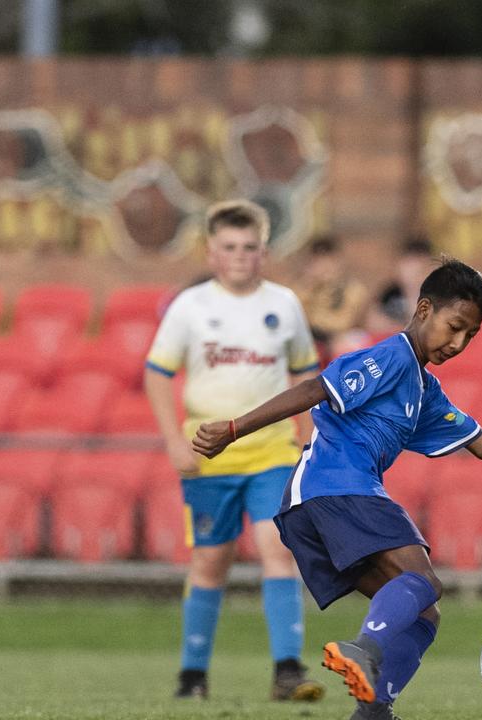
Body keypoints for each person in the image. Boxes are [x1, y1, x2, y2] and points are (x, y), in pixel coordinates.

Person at [191, 259, 482, 720]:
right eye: (454, 326)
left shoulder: (424, 389)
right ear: (423, 309)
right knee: (422, 581)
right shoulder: (393, 355)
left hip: (320, 504)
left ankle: (373, 713)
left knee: (423, 614)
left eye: (470, 336)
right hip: (335, 487)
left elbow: (481, 442)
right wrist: (235, 429)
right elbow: (317, 388)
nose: (457, 343)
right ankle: (363, 649)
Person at [144, 199, 325, 701]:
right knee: (210, 561)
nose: (240, 256)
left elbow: (305, 372)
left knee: (277, 548)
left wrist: (308, 433)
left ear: (263, 251)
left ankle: (288, 671)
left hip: (271, 451)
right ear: (212, 252)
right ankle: (192, 676)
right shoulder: (190, 307)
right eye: (229, 247)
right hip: (209, 457)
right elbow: (157, 372)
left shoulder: (284, 304)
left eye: (249, 247)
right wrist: (175, 441)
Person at [293, 233, 373, 365]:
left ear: (338, 262)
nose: (324, 267)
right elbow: (292, 317)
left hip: (339, 340)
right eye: (318, 261)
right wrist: (309, 286)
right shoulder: (303, 287)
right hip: (310, 340)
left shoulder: (353, 290)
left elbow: (345, 323)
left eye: (329, 260)